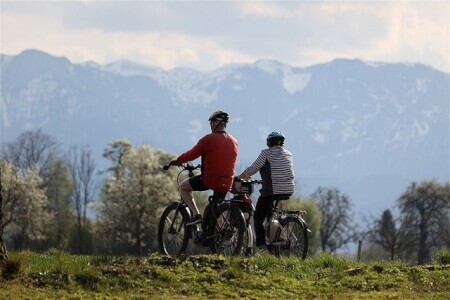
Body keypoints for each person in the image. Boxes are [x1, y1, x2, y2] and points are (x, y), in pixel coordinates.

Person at [170, 110, 239, 226]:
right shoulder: (234, 141)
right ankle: (214, 233)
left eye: (211, 123)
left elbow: (192, 154)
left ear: (214, 124)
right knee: (214, 209)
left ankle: (196, 215)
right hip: (227, 182)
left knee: (183, 187)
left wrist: (178, 161)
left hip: (210, 180)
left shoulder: (208, 139)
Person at [237, 132, 294, 253]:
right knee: (270, 211)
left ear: (269, 142)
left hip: (272, 189)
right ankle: (278, 235)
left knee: (258, 217)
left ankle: (262, 247)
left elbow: (253, 169)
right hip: (288, 189)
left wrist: (239, 178)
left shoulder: (266, 153)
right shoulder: (289, 154)